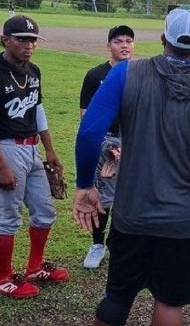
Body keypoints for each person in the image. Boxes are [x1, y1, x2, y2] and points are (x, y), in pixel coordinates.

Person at [73, 5, 190, 326]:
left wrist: (86, 185)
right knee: (170, 303)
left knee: (117, 297)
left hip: (133, 215)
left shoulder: (126, 73)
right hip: (187, 219)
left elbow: (88, 132)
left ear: (162, 39)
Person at [0, 15, 68, 299]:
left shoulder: (33, 71)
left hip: (32, 149)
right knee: (8, 217)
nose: (28, 46)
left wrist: (49, 149)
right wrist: (1, 165)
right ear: (5, 40)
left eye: (32, 40)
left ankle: (35, 266)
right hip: (6, 148)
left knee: (44, 210)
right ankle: (3, 278)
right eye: (21, 39)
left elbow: (37, 110)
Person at [79, 25, 135, 269]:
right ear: (109, 45)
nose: (124, 45)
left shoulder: (140, 74)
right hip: (108, 142)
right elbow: (86, 116)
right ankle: (97, 244)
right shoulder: (95, 75)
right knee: (104, 196)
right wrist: (104, 145)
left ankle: (122, 245)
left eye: (129, 41)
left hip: (134, 142)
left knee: (132, 195)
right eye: (118, 41)